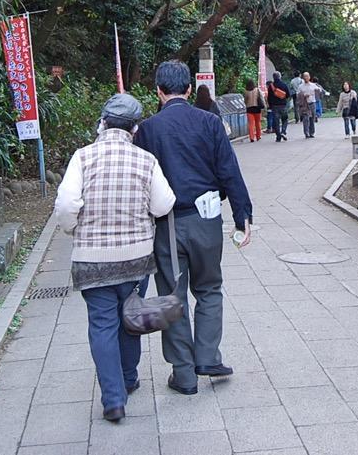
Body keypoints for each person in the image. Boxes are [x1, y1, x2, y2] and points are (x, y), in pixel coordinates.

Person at [53, 93, 177, 423]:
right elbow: (163, 204)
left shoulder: (82, 157)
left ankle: (113, 399)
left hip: (92, 259)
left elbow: (66, 204)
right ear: (135, 129)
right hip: (136, 258)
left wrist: (72, 229)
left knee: (102, 324)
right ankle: (129, 378)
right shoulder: (146, 160)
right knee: (130, 317)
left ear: (103, 124)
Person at [134, 61, 253, 396]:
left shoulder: (148, 130)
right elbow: (229, 170)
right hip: (207, 220)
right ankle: (208, 357)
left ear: (158, 91)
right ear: (188, 89)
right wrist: (243, 216)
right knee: (210, 288)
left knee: (172, 296)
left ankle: (184, 373)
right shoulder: (210, 122)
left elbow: (141, 183)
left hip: (166, 226)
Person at [265, 71, 290, 142]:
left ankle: (278, 136)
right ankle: (283, 131)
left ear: (273, 77)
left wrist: (270, 105)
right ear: (280, 77)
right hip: (283, 105)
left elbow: (269, 97)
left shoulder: (271, 86)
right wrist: (283, 98)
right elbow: (288, 95)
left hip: (274, 106)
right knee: (285, 119)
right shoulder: (284, 84)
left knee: (276, 121)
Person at [296, 72, 318, 139]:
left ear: (309, 77)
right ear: (303, 77)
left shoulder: (313, 85)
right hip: (305, 104)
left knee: (312, 118)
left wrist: (316, 92)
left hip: (312, 103)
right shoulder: (300, 86)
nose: (306, 78)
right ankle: (306, 133)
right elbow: (297, 94)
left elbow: (318, 91)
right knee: (305, 119)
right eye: (304, 76)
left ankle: (312, 132)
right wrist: (303, 95)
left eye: (307, 76)